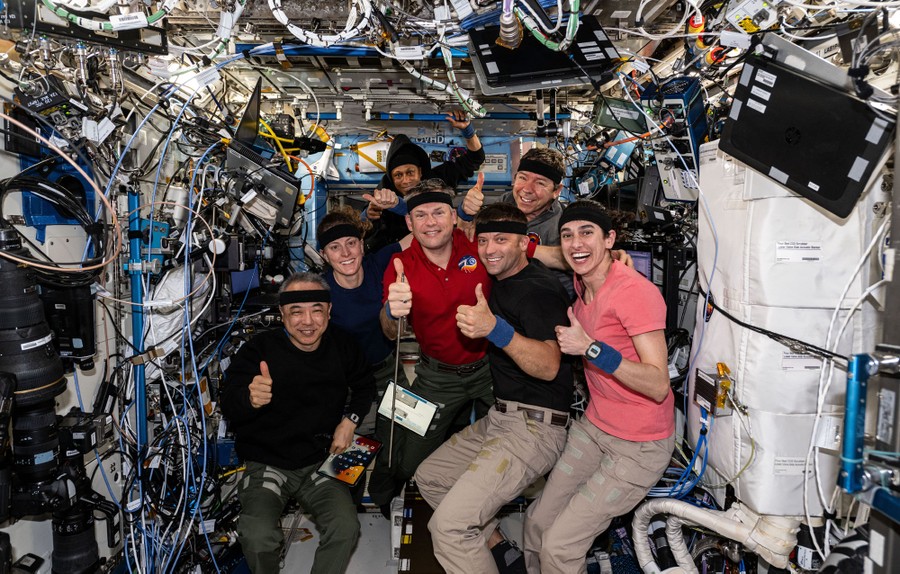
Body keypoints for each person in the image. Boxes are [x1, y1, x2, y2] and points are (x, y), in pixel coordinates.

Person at [414, 203, 573, 574]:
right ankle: (500, 551)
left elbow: (550, 366)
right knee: (431, 478)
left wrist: (495, 330)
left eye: (501, 240)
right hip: (500, 418)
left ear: (523, 243)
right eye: (484, 240)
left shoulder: (537, 291)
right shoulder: (500, 281)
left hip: (534, 428)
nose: (490, 249)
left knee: (449, 528)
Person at [523, 200, 675, 574]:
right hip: (596, 426)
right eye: (568, 235)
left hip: (639, 445)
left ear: (609, 239)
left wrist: (590, 348)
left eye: (587, 233)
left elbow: (658, 384)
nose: (577, 243)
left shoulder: (634, 294)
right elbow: (563, 257)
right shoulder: (584, 276)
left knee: (559, 547)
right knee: (536, 524)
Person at [220, 274, 375, 574]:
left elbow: (365, 385)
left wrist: (350, 421)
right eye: (296, 311)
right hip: (268, 462)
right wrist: (249, 399)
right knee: (257, 536)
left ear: (329, 311)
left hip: (321, 458)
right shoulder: (258, 350)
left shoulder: (344, 345)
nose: (308, 321)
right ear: (282, 314)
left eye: (317, 309)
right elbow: (229, 403)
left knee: (345, 527)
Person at [379, 178, 495, 485]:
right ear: (409, 221)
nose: (430, 222)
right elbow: (389, 331)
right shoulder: (400, 264)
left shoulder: (478, 246)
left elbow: (525, 254)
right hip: (436, 377)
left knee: (501, 452)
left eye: (439, 212)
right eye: (421, 215)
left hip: (491, 370)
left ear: (454, 215)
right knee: (409, 463)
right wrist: (393, 311)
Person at [315, 207, 412, 513]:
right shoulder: (319, 290)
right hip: (346, 383)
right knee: (349, 449)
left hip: (387, 370)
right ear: (324, 254)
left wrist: (398, 203)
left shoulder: (378, 263)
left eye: (351, 243)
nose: (345, 253)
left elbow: (425, 231)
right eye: (334, 247)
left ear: (362, 243)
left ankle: (385, 496)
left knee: (397, 441)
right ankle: (348, 508)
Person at [362, 110, 485, 252]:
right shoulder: (384, 193)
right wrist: (369, 215)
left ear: (420, 172)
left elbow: (475, 158)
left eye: (410, 172)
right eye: (398, 175)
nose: (405, 180)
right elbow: (364, 223)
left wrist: (468, 131)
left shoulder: (438, 180)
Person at [461, 147, 571, 294]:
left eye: (540, 183)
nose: (527, 189)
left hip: (547, 302)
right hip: (501, 298)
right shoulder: (503, 203)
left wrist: (519, 248)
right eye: (523, 178)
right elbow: (465, 238)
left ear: (556, 191)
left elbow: (571, 256)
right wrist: (466, 213)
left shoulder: (566, 222)